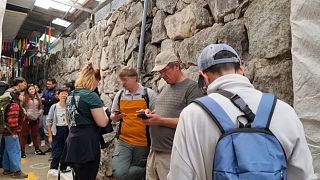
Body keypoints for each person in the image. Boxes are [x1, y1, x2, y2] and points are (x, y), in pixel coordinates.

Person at [167, 44, 317, 180]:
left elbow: (180, 175)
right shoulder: (284, 111)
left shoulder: (192, 115)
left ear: (204, 77)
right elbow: (304, 174)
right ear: (241, 70)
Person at [141, 51, 203, 180]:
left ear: (177, 66)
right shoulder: (164, 89)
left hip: (173, 155)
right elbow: (160, 113)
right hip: (154, 152)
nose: (162, 75)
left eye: (165, 70)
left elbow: (193, 123)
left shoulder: (192, 88)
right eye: (160, 72)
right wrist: (149, 114)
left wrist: (160, 121)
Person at [62, 61, 109, 180]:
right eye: (97, 82)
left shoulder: (71, 95)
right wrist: (108, 115)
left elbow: (69, 120)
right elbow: (102, 122)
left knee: (78, 176)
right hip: (87, 143)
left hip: (72, 141)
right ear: (94, 80)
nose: (97, 86)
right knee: (88, 176)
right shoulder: (91, 95)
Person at [110, 68, 157, 180]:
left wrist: (148, 114)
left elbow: (157, 115)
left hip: (143, 143)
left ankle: (148, 170)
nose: (122, 83)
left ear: (134, 78)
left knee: (134, 177)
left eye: (125, 80)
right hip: (124, 141)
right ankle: (147, 169)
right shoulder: (120, 95)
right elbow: (113, 116)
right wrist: (115, 117)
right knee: (119, 173)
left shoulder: (148, 94)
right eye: (121, 80)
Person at [2, 90, 28, 178]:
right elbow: (12, 120)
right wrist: (14, 132)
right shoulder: (14, 106)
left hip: (6, 131)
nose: (23, 96)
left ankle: (7, 169)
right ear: (17, 96)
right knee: (15, 151)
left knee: (7, 150)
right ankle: (16, 171)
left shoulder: (11, 105)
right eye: (21, 95)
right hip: (11, 132)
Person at [47, 88, 69, 171]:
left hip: (68, 130)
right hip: (57, 130)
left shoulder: (69, 106)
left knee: (67, 151)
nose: (64, 95)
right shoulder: (54, 107)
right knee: (56, 152)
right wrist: (50, 136)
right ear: (58, 95)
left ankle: (64, 169)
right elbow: (49, 121)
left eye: (65, 93)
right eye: (62, 93)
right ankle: (53, 170)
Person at [20, 84, 45, 158]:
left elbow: (41, 107)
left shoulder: (38, 98)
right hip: (27, 119)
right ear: (27, 90)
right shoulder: (24, 98)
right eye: (30, 89)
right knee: (24, 135)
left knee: (35, 135)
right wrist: (26, 114)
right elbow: (22, 107)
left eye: (33, 89)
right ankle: (22, 151)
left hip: (36, 118)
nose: (32, 90)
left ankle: (37, 150)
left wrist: (39, 113)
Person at [41, 78, 58, 149]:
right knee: (46, 130)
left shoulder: (56, 91)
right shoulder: (45, 91)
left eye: (49, 84)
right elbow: (41, 100)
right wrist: (46, 101)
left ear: (54, 84)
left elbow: (52, 102)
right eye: (47, 84)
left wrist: (45, 101)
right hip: (45, 112)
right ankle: (50, 147)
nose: (48, 85)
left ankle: (55, 146)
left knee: (53, 130)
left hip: (54, 113)